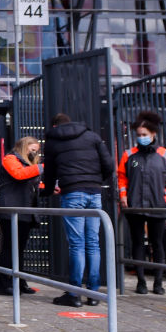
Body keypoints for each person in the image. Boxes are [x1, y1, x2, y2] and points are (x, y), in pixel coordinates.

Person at [41, 113, 114, 308]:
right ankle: (93, 293)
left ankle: (74, 293)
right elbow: (109, 165)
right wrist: (97, 181)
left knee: (76, 245)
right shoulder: (92, 136)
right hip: (94, 193)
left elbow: (49, 173)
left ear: (55, 126)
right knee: (93, 243)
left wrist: (47, 192)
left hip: (72, 193)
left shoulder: (53, 141)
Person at [117, 111, 166, 295]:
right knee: (138, 243)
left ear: (153, 134)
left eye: (144, 134)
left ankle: (158, 282)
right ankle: (141, 281)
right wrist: (123, 195)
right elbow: (122, 178)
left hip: (157, 204)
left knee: (157, 243)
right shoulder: (129, 155)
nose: (141, 138)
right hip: (135, 206)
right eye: (139, 135)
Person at [0, 136, 42, 296]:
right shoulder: (10, 159)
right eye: (32, 150)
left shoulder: (28, 165)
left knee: (19, 248)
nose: (34, 153)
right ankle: (4, 284)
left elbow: (32, 182)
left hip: (23, 212)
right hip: (10, 211)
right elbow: (19, 175)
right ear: (24, 147)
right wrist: (41, 168)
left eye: (36, 151)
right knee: (9, 248)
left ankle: (19, 282)